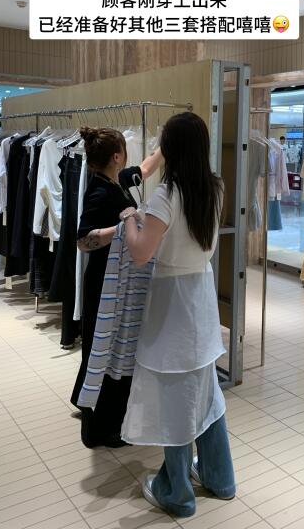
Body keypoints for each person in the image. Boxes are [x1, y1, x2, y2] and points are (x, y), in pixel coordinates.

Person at [120, 112, 236, 518]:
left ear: (170, 148)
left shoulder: (167, 195)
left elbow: (141, 252)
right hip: (201, 297)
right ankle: (220, 477)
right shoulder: (214, 187)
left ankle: (177, 493)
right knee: (206, 393)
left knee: (175, 400)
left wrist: (130, 220)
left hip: (172, 304)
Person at [71, 127, 163, 448]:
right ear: (116, 156)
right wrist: (125, 224)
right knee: (104, 350)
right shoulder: (100, 191)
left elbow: (146, 168)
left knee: (105, 349)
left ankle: (87, 404)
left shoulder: (117, 180)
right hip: (102, 282)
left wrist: (166, 146)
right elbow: (83, 240)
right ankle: (97, 430)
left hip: (117, 281)